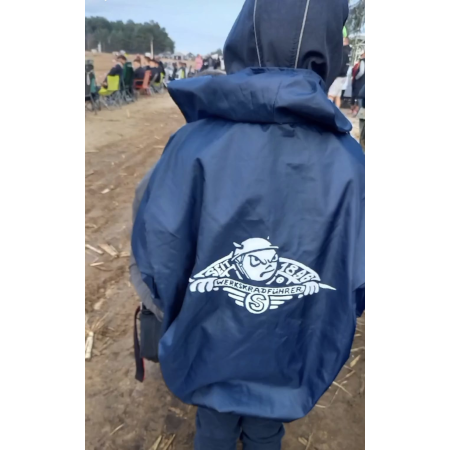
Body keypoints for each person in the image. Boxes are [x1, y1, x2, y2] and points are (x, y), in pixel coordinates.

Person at [131, 0, 365, 449]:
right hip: (289, 351)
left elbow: (155, 250)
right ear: (327, 49)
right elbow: (356, 278)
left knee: (214, 424)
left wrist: (178, 310)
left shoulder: (190, 145)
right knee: (266, 427)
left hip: (208, 343)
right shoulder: (349, 163)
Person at [328, 36, 351, 108]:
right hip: (343, 76)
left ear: (345, 42)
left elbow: (339, 64)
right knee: (338, 95)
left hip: (338, 76)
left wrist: (333, 74)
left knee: (330, 95)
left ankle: (327, 110)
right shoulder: (348, 52)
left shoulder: (343, 51)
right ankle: (337, 110)